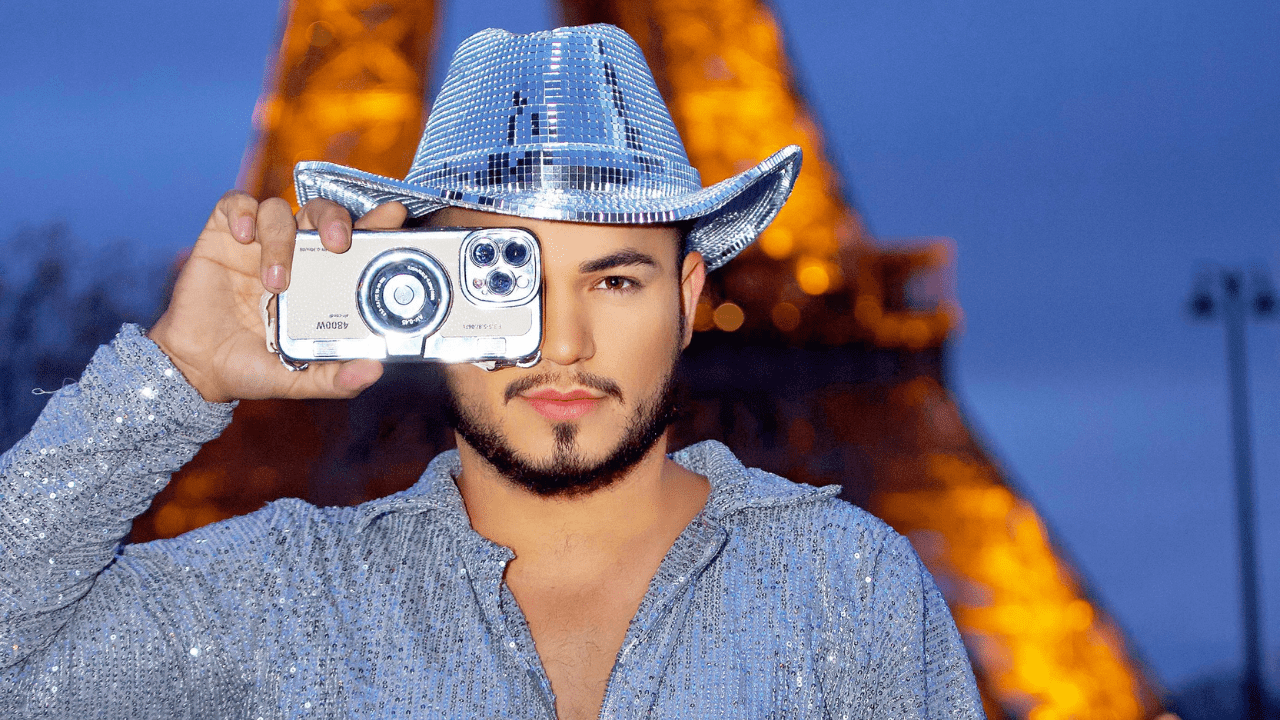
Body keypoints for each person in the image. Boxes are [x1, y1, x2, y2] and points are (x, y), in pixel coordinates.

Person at [0, 24, 984, 719]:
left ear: (687, 299)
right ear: (414, 289)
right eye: (501, 278)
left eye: (613, 279)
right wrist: (171, 379)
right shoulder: (287, 597)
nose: (561, 342)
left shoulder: (845, 586)